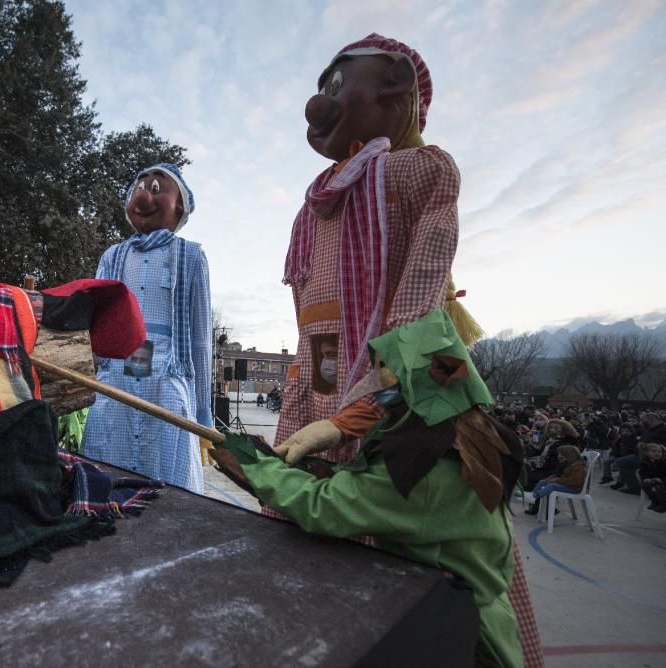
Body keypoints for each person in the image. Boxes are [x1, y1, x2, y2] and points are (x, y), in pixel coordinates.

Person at [268, 33, 543, 665]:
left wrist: (356, 411)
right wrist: (306, 406)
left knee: (411, 569)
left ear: (396, 86)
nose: (320, 101)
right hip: (320, 388)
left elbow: (418, 306)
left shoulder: (424, 169)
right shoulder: (312, 207)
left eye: (339, 83)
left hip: (408, 393)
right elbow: (308, 319)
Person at [210, 310, 525, 666]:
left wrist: (259, 468)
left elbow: (324, 508)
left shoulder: (426, 466)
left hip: (460, 636)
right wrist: (326, 471)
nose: (379, 392)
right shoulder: (470, 436)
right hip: (465, 608)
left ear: (415, 382)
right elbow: (381, 495)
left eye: (388, 377)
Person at [80, 163, 211, 493]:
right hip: (116, 378)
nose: (142, 194)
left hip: (168, 377)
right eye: (137, 187)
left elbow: (201, 339)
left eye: (155, 188)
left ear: (179, 205)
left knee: (169, 482)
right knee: (107, 469)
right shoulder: (113, 256)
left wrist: (203, 416)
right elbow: (95, 320)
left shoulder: (192, 257)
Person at [524, 446, 586, 516]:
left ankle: (535, 495)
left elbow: (576, 482)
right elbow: (559, 475)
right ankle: (533, 496)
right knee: (543, 482)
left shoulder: (578, 467)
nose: (559, 456)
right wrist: (552, 478)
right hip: (566, 485)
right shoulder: (567, 464)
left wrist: (558, 480)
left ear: (569, 455)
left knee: (552, 486)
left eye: (561, 455)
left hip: (574, 488)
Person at [638, 442, 666, 513]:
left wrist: (661, 479)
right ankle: (655, 501)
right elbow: (642, 472)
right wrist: (646, 479)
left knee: (660, 488)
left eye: (659, 452)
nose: (657, 453)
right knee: (644, 485)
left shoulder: (663, 462)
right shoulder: (645, 462)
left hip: (662, 480)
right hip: (652, 480)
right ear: (647, 453)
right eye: (653, 451)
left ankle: (663, 505)